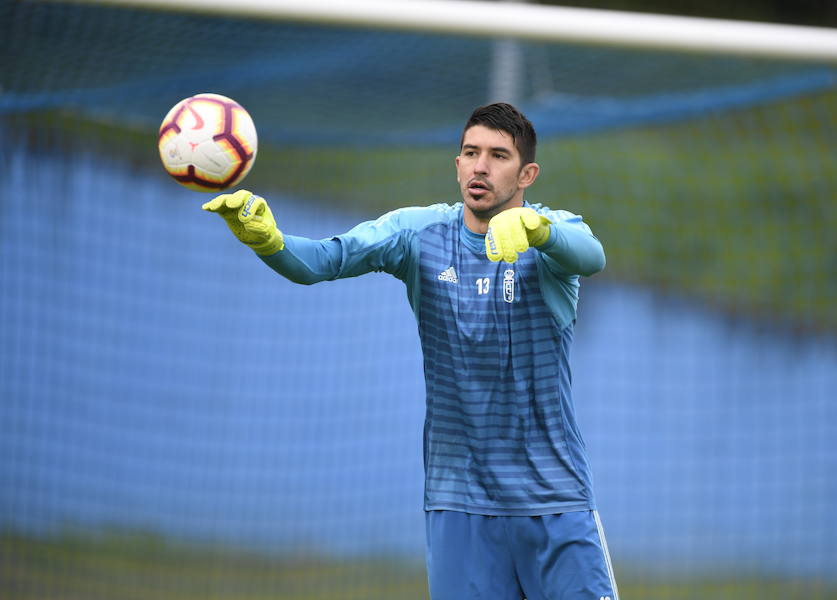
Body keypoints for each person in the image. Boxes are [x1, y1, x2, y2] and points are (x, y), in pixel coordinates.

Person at [203, 103, 617, 600]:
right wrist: (269, 241)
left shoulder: (550, 238)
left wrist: (539, 230)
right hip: (459, 502)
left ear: (527, 173)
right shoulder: (419, 235)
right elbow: (322, 261)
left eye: (498, 156)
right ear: (457, 164)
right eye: (470, 152)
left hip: (555, 499)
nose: (481, 166)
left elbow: (590, 255)